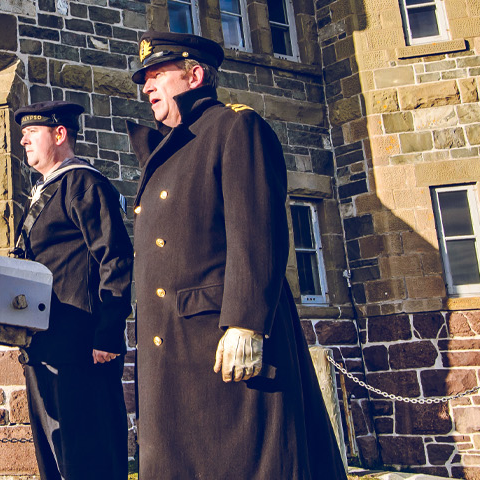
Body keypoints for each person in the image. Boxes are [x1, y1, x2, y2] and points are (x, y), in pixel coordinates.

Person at [123, 32, 345, 479]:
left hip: (221, 344)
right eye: (144, 79)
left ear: (196, 75)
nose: (146, 88)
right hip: (173, 350)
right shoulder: (171, 149)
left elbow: (256, 229)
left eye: (156, 75)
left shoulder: (234, 128)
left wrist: (245, 322)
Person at [9, 100, 134, 480]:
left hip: (83, 345)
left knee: (87, 453)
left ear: (59, 134)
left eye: (32, 134)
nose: (24, 141)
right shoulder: (47, 190)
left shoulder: (84, 183)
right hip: (47, 341)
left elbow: (115, 258)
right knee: (55, 454)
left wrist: (109, 333)